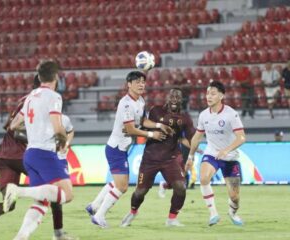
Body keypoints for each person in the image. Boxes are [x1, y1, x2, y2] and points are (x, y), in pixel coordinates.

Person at [0, 75, 74, 240]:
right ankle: (58, 232)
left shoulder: (25, 100)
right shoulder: (38, 101)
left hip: (3, 156)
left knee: (8, 204)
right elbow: (16, 130)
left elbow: (9, 126)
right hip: (22, 154)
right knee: (53, 189)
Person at [85, 71, 173, 228]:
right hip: (116, 148)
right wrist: (152, 134)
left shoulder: (140, 100)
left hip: (122, 148)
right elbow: (130, 129)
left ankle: (93, 206)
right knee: (122, 186)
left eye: (143, 82)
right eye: (137, 81)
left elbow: (143, 120)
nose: (141, 84)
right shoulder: (125, 103)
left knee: (117, 182)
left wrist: (159, 125)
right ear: (129, 84)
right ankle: (99, 216)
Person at [6, 60, 74, 240]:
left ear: (39, 77)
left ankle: (20, 236)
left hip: (30, 154)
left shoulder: (30, 97)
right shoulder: (54, 97)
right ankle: (18, 191)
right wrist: (62, 140)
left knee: (42, 202)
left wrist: (31, 130)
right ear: (56, 77)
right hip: (45, 153)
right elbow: (57, 126)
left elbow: (13, 125)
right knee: (67, 195)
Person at [120, 88, 195, 227]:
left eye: (178, 97)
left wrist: (191, 157)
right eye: (172, 96)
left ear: (181, 100)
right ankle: (132, 212)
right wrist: (149, 132)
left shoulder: (185, 118)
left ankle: (172, 219)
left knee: (180, 187)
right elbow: (144, 125)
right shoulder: (156, 111)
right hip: (150, 158)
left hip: (171, 158)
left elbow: (191, 139)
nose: (174, 99)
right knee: (140, 192)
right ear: (167, 97)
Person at [185, 81, 246, 226]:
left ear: (221, 96)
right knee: (204, 178)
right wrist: (191, 156)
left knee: (235, 196)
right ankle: (213, 213)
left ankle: (232, 212)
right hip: (212, 154)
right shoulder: (203, 115)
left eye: (213, 93)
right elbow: (197, 137)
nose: (208, 96)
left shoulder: (231, 114)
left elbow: (242, 137)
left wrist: (226, 150)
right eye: (207, 93)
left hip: (230, 157)